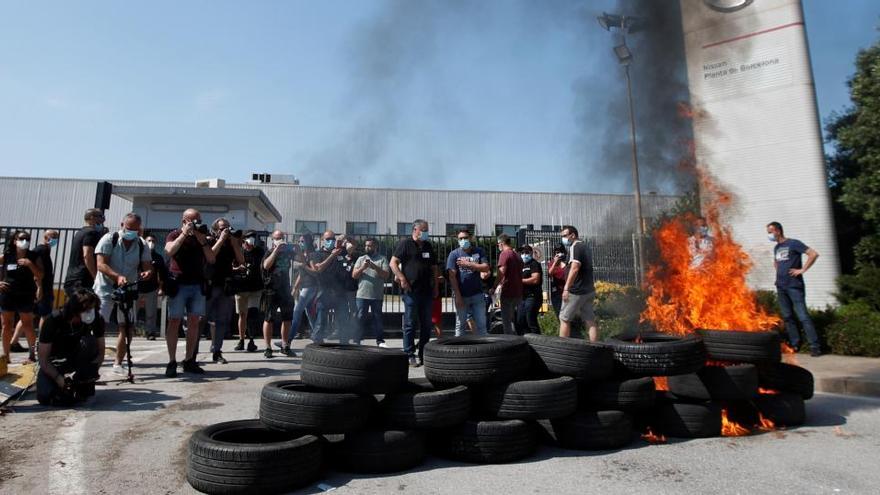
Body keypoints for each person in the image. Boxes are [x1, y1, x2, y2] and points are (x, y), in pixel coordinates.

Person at [94, 213, 153, 376]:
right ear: (122, 225)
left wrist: (147, 273)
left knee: (126, 326)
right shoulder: (109, 239)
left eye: (136, 229)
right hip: (105, 289)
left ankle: (118, 363)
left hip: (128, 291)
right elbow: (100, 264)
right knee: (97, 325)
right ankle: (93, 363)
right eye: (129, 228)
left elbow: (147, 266)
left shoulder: (141, 244)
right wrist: (117, 276)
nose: (132, 232)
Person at [164, 208, 216, 377]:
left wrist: (202, 241)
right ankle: (172, 361)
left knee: (194, 321)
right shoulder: (174, 234)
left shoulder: (202, 237)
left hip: (196, 285)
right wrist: (184, 235)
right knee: (174, 321)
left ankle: (189, 360)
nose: (196, 224)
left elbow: (211, 258)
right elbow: (170, 251)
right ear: (184, 221)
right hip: (178, 284)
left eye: (198, 220)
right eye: (193, 221)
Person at [36, 288, 105, 406]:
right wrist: (58, 378)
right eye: (87, 309)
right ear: (75, 310)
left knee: (89, 341)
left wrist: (89, 372)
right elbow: (43, 359)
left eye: (93, 309)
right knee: (45, 396)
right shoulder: (53, 320)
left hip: (78, 358)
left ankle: (83, 385)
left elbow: (101, 353)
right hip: (55, 362)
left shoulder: (96, 319)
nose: (91, 312)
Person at [767, 221, 821, 356]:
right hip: (781, 286)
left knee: (803, 316)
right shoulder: (777, 248)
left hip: (794, 286)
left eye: (770, 232)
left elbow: (813, 254)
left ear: (778, 231)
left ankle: (815, 346)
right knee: (788, 317)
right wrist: (778, 275)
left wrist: (802, 270)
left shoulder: (793, 243)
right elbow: (777, 262)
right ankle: (795, 344)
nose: (769, 235)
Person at [390, 219, 439, 367]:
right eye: (423, 230)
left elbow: (434, 268)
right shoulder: (405, 244)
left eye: (427, 230)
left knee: (426, 324)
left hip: (427, 291)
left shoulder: (428, 246)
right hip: (411, 291)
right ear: (415, 230)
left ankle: (423, 353)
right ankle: (409, 353)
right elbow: (393, 263)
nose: (426, 233)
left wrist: (436, 286)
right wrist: (402, 278)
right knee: (410, 323)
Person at [10, 229, 58, 352]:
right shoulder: (41, 250)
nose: (54, 239)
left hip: (41, 287)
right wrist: (39, 287)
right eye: (52, 236)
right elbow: (36, 271)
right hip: (42, 288)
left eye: (56, 237)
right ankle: (41, 343)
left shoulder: (44, 250)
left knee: (29, 316)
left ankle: (14, 342)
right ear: (45, 237)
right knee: (45, 315)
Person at [205, 218, 245, 364]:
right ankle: (192, 355)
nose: (226, 230)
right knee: (201, 319)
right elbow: (210, 257)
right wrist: (221, 240)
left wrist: (235, 245)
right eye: (222, 228)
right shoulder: (208, 241)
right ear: (215, 230)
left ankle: (217, 351)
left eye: (227, 227)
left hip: (225, 286)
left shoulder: (231, 243)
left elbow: (241, 261)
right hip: (210, 285)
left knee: (221, 320)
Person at [0, 230, 44, 362]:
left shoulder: (34, 256)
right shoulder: (7, 255)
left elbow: (40, 275)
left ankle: (32, 355)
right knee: (6, 325)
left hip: (26, 294)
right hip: (8, 293)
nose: (25, 241)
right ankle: (6, 355)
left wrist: (30, 264)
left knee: (28, 324)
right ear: (15, 241)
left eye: (27, 239)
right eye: (21, 238)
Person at [558, 225, 598, 341]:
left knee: (564, 318)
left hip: (576, 291)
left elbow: (575, 268)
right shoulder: (585, 246)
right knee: (589, 320)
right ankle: (594, 346)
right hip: (588, 290)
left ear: (573, 235)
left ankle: (562, 347)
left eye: (565, 236)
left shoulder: (576, 247)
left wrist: (566, 288)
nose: (563, 238)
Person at [446, 229, 490, 336]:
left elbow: (486, 267)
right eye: (461, 238)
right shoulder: (454, 254)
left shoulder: (479, 251)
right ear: (458, 240)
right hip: (461, 295)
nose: (463, 240)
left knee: (481, 325)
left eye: (465, 238)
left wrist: (469, 265)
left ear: (470, 238)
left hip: (477, 294)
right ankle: (458, 350)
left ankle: (483, 349)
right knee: (460, 325)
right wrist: (458, 296)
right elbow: (452, 276)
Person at [261, 230, 296, 358]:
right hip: (271, 289)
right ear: (272, 239)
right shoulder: (269, 252)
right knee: (269, 318)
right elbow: (266, 265)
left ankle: (285, 345)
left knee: (287, 318)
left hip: (285, 288)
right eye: (276, 238)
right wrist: (276, 250)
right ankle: (268, 347)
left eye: (281, 238)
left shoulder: (288, 253)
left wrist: (297, 248)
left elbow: (302, 261)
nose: (279, 240)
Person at [310, 231, 349, 344]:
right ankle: (317, 341)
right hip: (324, 292)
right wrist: (333, 255)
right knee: (321, 320)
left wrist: (346, 238)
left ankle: (344, 342)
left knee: (343, 319)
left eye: (332, 238)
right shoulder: (317, 254)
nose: (330, 241)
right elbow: (318, 269)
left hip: (340, 292)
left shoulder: (340, 252)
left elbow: (354, 246)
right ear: (323, 240)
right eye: (327, 239)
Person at [352, 238, 390, 346]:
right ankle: (357, 339)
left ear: (375, 246)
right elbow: (354, 275)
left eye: (369, 245)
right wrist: (363, 267)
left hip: (376, 295)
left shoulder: (382, 259)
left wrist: (374, 266)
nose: (367, 247)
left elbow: (386, 275)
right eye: (366, 245)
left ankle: (380, 341)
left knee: (377, 318)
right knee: (360, 317)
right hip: (362, 295)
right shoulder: (361, 259)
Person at [63, 208, 104, 297]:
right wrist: (96, 277)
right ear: (92, 217)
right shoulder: (91, 233)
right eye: (101, 216)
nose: (103, 219)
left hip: (72, 278)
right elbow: (87, 255)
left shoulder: (80, 232)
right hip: (83, 280)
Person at [233, 230, 262, 352]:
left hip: (255, 288)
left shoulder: (259, 252)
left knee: (252, 313)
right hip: (241, 288)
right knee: (242, 314)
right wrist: (237, 268)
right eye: (249, 238)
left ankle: (251, 339)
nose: (251, 240)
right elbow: (231, 266)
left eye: (253, 238)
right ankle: (241, 340)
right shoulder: (238, 251)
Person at [290, 233, 319, 341]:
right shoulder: (304, 255)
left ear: (308, 242)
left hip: (310, 287)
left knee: (297, 312)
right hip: (304, 287)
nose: (300, 243)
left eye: (302, 241)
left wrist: (304, 266)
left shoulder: (312, 255)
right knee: (309, 313)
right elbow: (301, 275)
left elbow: (315, 272)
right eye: (299, 241)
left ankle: (288, 339)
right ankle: (318, 338)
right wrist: (295, 288)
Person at [140, 233, 168, 341]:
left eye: (153, 241)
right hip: (137, 288)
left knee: (151, 313)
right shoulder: (139, 254)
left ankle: (150, 332)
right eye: (148, 241)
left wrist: (161, 288)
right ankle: (128, 330)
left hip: (151, 288)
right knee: (132, 311)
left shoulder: (158, 257)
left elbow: (161, 274)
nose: (151, 243)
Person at [493, 234, 523, 335]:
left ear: (501, 243)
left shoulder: (504, 254)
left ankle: (509, 343)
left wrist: (494, 287)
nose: (498, 247)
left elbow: (501, 272)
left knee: (507, 322)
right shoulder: (517, 255)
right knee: (515, 319)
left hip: (508, 291)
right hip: (518, 292)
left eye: (498, 245)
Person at [516, 244, 543, 335]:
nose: (524, 254)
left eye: (526, 252)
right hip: (522, 297)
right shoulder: (520, 265)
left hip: (532, 296)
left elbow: (535, 279)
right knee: (520, 320)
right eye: (522, 252)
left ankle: (538, 342)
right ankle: (526, 342)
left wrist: (520, 281)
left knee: (530, 320)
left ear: (531, 253)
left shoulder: (534, 264)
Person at [339, 237, 361, 341]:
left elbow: (355, 243)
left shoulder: (356, 256)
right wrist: (341, 241)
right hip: (340, 288)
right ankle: (343, 334)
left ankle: (354, 332)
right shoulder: (339, 254)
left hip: (352, 288)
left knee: (354, 311)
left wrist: (348, 238)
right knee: (342, 311)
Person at [547, 244, 567, 317]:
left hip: (568, 291)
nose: (558, 254)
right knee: (559, 313)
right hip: (557, 291)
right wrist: (555, 263)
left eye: (560, 252)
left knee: (567, 314)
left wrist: (563, 263)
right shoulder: (552, 263)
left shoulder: (568, 262)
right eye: (556, 252)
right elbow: (549, 274)